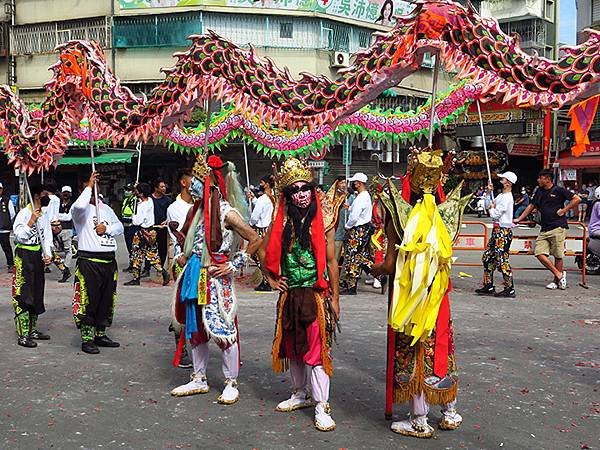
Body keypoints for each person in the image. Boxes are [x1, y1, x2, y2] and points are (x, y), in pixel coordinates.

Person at [372, 147, 466, 438]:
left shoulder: (399, 215)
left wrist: (375, 270)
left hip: (410, 301)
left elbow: (389, 264)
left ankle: (419, 420)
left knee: (413, 352)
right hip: (438, 299)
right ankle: (449, 412)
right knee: (441, 350)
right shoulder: (446, 216)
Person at [169, 153, 261, 406]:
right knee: (196, 329)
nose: (192, 184)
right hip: (195, 277)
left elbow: (255, 239)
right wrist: (181, 257)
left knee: (223, 329)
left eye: (197, 179)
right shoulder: (195, 212)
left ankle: (231, 382)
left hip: (217, 279)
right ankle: (198, 377)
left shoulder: (226, 213)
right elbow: (187, 245)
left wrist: (234, 264)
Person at [261, 158, 341, 432]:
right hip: (290, 293)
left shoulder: (325, 219)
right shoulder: (281, 219)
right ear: (288, 195)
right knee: (293, 347)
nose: (300, 194)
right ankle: (300, 393)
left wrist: (336, 298)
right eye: (294, 190)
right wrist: (271, 278)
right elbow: (263, 248)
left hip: (316, 294)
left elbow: (331, 262)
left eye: (304, 188)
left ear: (312, 188)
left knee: (317, 353)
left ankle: (321, 405)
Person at [71, 172, 124, 354]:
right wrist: (88, 186)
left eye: (96, 186)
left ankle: (100, 334)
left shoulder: (106, 209)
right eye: (91, 186)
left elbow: (119, 227)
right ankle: (87, 338)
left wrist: (106, 228)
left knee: (106, 299)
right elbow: (78, 205)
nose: (95, 189)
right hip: (89, 261)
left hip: (109, 260)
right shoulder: (80, 210)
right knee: (88, 300)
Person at [514, 169, 581, 290]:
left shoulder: (559, 190)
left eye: (541, 178)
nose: (538, 180)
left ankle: (556, 281)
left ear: (547, 178)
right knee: (539, 253)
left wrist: (564, 210)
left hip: (558, 226)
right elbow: (531, 205)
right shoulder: (539, 191)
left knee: (558, 255)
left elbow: (577, 199)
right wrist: (519, 218)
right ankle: (559, 274)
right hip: (544, 228)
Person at [12, 183, 53, 348]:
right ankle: (22, 334)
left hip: (37, 256)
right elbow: (18, 235)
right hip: (24, 256)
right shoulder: (24, 213)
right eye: (45, 194)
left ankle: (32, 329)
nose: (48, 198)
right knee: (24, 294)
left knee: (37, 293)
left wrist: (47, 253)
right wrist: (31, 222)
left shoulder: (44, 214)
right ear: (36, 195)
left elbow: (47, 236)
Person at [166, 168, 194, 369]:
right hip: (184, 259)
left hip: (202, 261)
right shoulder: (175, 207)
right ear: (184, 183)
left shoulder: (201, 205)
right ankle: (181, 347)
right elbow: (180, 237)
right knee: (182, 302)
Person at [476, 172, 517, 298]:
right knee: (487, 257)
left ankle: (509, 287)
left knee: (502, 259)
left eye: (503, 179)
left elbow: (494, 214)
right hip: (496, 231)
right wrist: (488, 193)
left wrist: (492, 208)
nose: (500, 180)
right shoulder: (500, 195)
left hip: (503, 232)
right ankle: (488, 285)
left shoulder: (507, 198)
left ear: (508, 183)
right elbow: (488, 205)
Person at [124, 182, 169, 286]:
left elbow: (137, 221)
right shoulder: (150, 201)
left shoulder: (141, 206)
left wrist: (133, 214)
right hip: (151, 231)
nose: (135, 192)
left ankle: (136, 278)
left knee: (136, 255)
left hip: (142, 233)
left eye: (137, 191)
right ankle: (163, 271)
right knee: (152, 255)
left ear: (141, 193)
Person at [340, 172, 372, 295]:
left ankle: (351, 286)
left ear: (358, 184)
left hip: (357, 230)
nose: (353, 184)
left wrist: (347, 226)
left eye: (354, 182)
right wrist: (350, 207)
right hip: (363, 229)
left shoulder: (361, 197)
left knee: (354, 257)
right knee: (360, 256)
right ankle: (379, 275)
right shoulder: (364, 196)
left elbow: (354, 217)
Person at [249, 174, 275, 292]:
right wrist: (253, 199)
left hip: (262, 230)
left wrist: (250, 224)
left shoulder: (263, 199)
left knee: (258, 255)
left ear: (267, 184)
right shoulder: (273, 197)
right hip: (271, 229)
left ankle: (266, 280)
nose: (260, 185)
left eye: (262, 183)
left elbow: (255, 216)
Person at [55, 185, 74, 282]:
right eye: (64, 192)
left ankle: (65, 269)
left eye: (67, 192)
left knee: (68, 251)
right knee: (53, 250)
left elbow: (68, 217)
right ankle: (62, 268)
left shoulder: (73, 205)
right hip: (56, 230)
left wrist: (58, 216)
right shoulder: (58, 204)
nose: (65, 194)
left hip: (67, 230)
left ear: (70, 194)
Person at [151, 178, 171, 266]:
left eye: (164, 187)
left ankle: (161, 266)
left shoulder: (167, 200)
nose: (164, 188)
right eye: (161, 187)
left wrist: (167, 220)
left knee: (162, 248)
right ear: (156, 188)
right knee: (150, 248)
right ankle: (147, 268)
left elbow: (170, 213)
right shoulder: (149, 199)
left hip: (162, 228)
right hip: (152, 227)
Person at [120, 183, 137, 272]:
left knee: (132, 246)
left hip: (132, 226)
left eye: (129, 190)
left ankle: (135, 265)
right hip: (125, 225)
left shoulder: (134, 200)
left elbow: (135, 214)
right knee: (128, 246)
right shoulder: (126, 200)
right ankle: (131, 263)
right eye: (126, 190)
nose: (126, 191)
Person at [0, 182, 16, 272]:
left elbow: (12, 214)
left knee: (6, 247)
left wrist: (6, 222)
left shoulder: (7, 200)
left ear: (2, 190)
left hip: (4, 229)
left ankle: (10, 264)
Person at [333, 176, 348, 262]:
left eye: (344, 182)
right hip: (337, 232)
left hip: (347, 231)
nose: (343, 185)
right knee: (335, 256)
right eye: (341, 183)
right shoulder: (334, 196)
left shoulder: (350, 196)